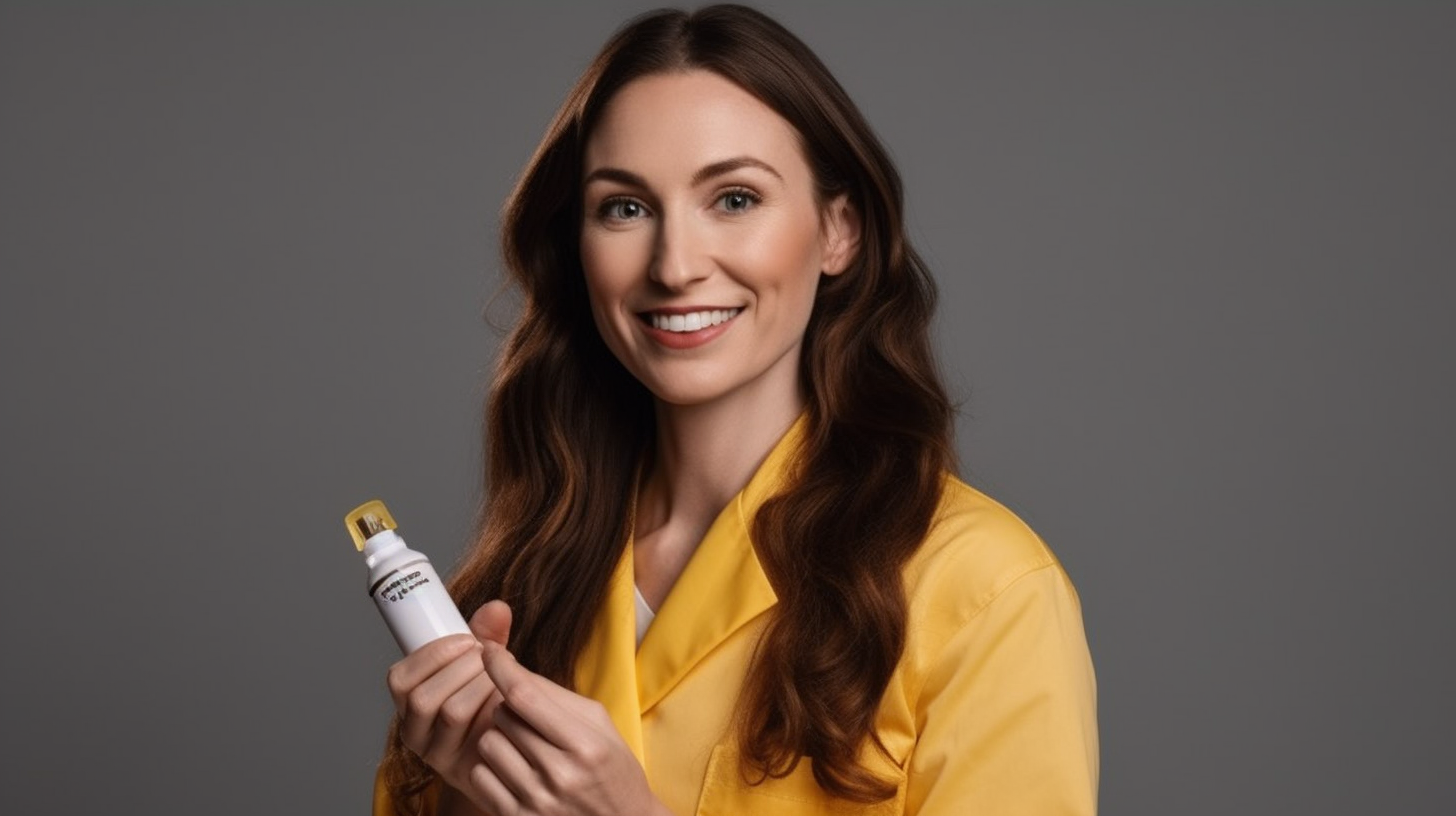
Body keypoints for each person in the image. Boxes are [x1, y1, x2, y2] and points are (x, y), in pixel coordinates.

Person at [374, 5, 1098, 815]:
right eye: (625, 208)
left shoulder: (986, 591)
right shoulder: (526, 577)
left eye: (735, 198)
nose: (676, 265)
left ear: (838, 230)